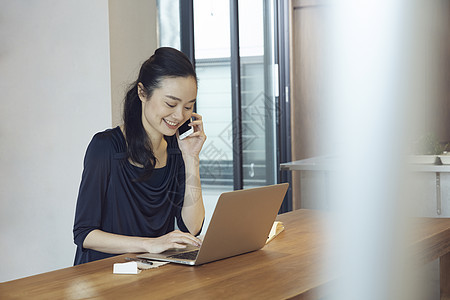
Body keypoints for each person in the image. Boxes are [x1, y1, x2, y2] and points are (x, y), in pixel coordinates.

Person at [73, 47, 206, 265]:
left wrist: (192, 159)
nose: (179, 115)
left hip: (152, 272)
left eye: (188, 106)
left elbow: (192, 227)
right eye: (171, 104)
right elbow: (84, 234)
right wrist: (149, 244)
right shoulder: (105, 147)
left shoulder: (177, 149)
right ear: (142, 92)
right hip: (103, 275)